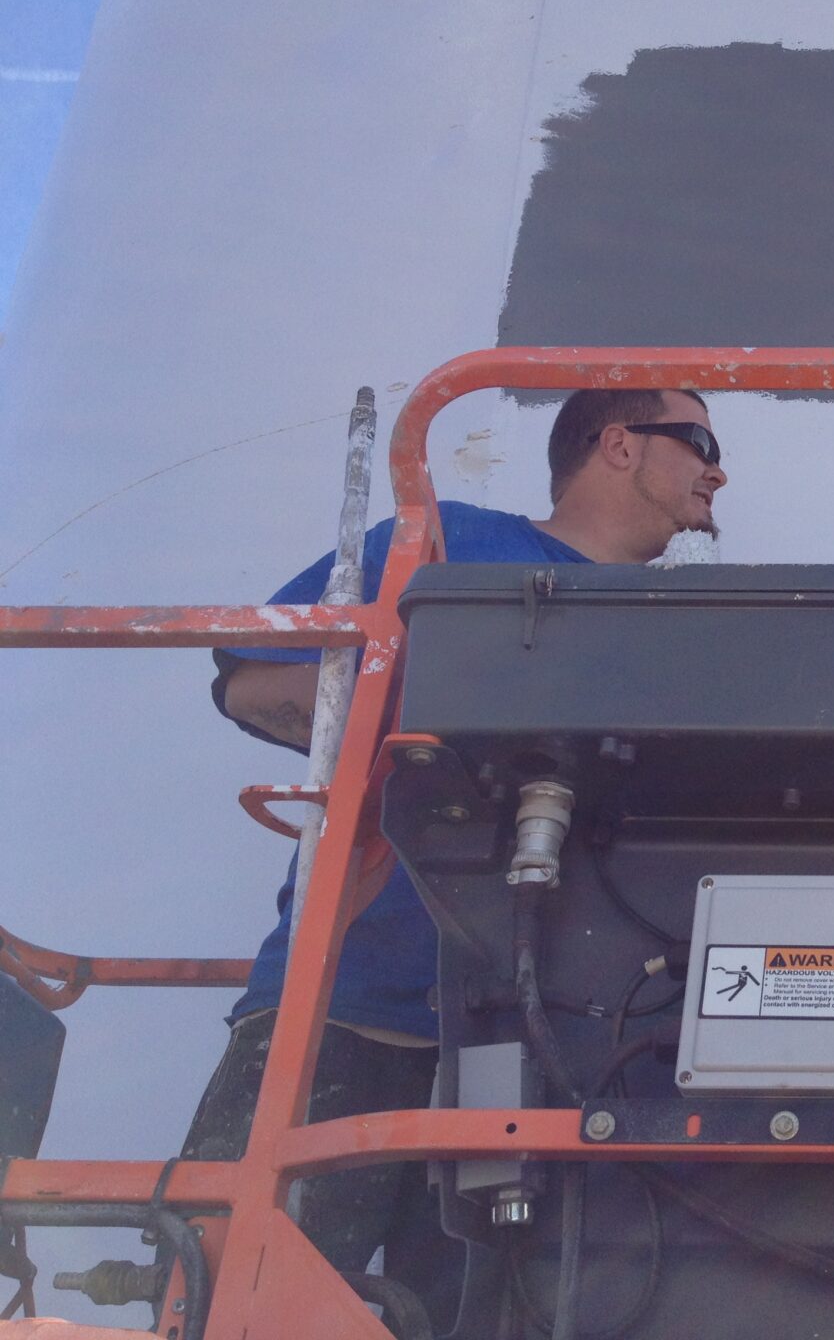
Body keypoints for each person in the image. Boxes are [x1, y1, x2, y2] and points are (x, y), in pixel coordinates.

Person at [184, 387, 726, 1314]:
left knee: (477, 1317)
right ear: (619, 444)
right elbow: (255, 680)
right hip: (350, 1007)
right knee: (242, 1300)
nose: (719, 472)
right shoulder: (452, 543)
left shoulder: (679, 621)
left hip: (546, 1043)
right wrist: (436, 737)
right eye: (701, 442)